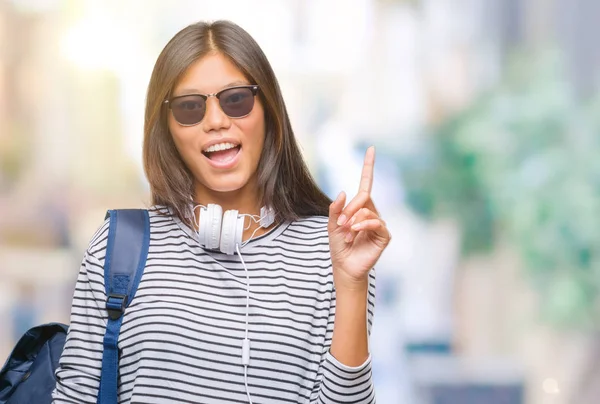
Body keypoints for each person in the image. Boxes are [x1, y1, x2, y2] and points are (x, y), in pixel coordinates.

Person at [51, 20, 391, 404]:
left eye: (236, 100)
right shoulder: (119, 248)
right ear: (167, 129)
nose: (216, 121)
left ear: (268, 110)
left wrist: (350, 284)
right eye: (190, 107)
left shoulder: (332, 253)